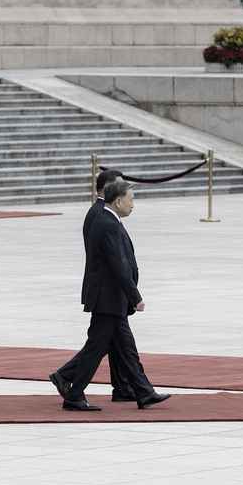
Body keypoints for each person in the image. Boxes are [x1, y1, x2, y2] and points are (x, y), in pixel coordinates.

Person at [55, 179, 171, 411]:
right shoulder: (107, 223)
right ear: (118, 201)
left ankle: (143, 391)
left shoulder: (109, 220)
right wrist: (135, 296)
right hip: (108, 298)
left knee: (125, 348)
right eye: (131, 200)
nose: (133, 205)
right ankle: (74, 394)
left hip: (111, 298)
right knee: (96, 348)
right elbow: (118, 265)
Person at [50, 169, 137, 403]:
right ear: (107, 189)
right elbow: (111, 260)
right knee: (102, 343)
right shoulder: (102, 214)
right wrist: (132, 293)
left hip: (111, 293)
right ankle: (69, 381)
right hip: (107, 293)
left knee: (114, 343)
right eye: (119, 187)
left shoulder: (102, 212)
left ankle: (124, 388)